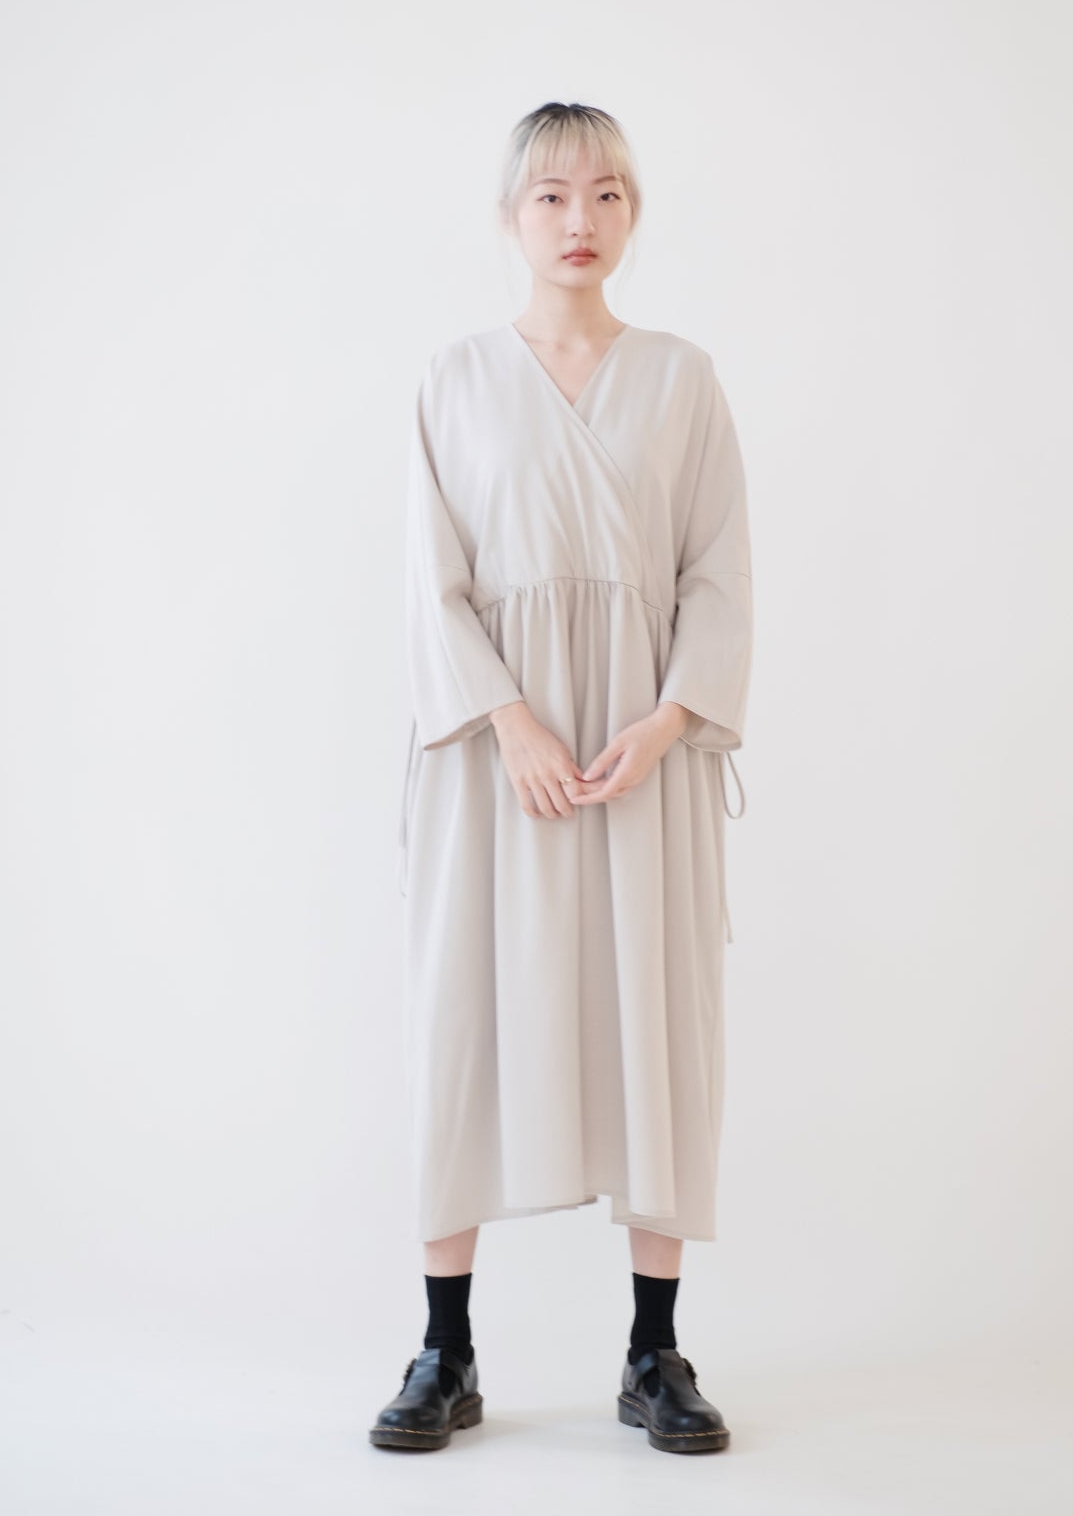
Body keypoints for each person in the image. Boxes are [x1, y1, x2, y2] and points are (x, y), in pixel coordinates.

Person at [369, 102, 753, 1455]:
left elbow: (717, 573)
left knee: (657, 1022)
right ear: (509, 217)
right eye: (550, 196)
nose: (579, 220)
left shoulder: (684, 380)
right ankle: (444, 1348)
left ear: (633, 213)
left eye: (605, 194)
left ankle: (655, 1353)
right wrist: (508, 720)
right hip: (496, 758)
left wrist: (668, 720)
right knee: (462, 1017)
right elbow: (430, 583)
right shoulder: (455, 379)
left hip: (640, 756)